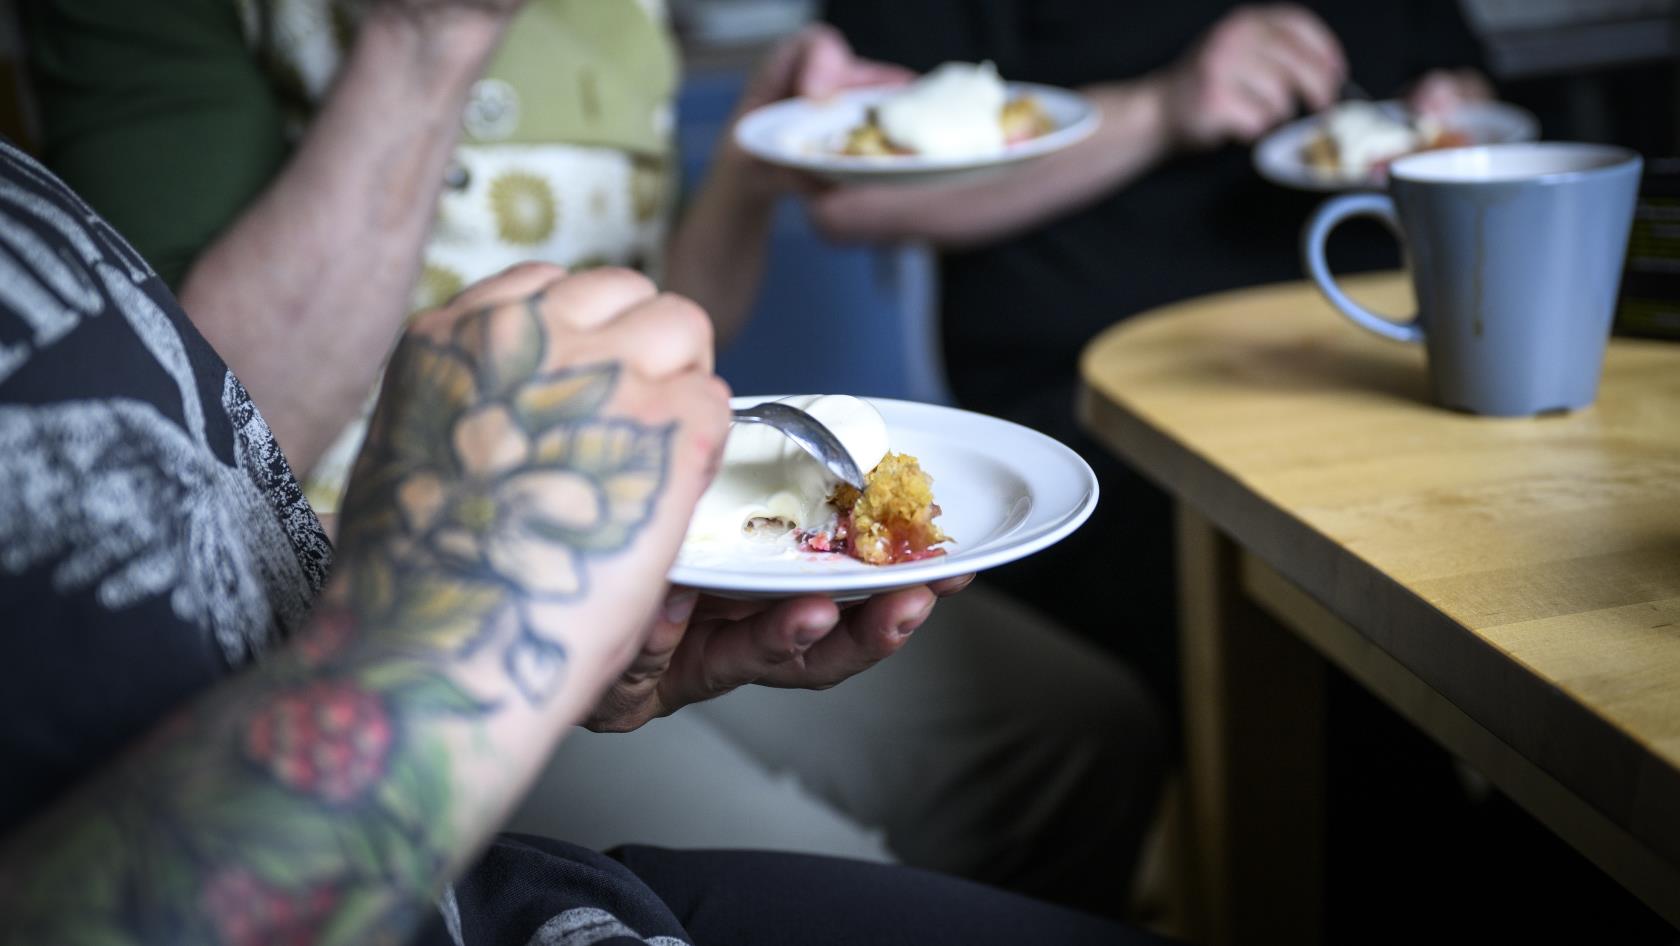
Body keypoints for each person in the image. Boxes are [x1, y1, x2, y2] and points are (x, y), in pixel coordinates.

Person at [20, 0, 1167, 913]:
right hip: (343, 594)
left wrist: (751, 177)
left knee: (1093, 737)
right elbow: (211, 452)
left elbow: (661, 327)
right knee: (820, 861)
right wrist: (431, 39)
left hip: (643, 529)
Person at [816, 0, 1492, 716]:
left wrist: (1445, 117)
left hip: (1380, 364)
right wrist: (1161, 108)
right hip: (1097, 419)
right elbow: (849, 194)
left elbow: (1460, 75)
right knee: (1325, 669)